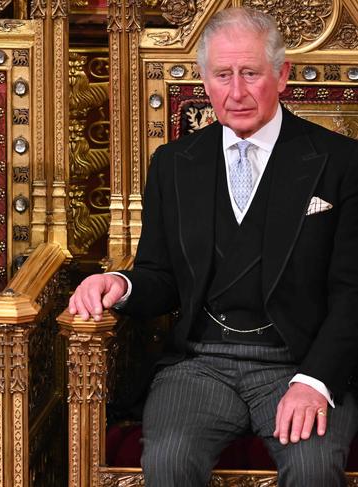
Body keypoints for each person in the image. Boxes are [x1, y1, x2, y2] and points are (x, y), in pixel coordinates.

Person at [69, 7, 358, 487]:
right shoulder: (174, 163)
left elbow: (353, 291)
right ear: (205, 80)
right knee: (169, 460)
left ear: (282, 75)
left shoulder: (341, 162)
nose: (237, 91)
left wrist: (315, 382)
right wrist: (118, 283)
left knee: (312, 469)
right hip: (200, 364)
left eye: (251, 73)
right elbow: (160, 276)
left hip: (298, 363)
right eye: (223, 75)